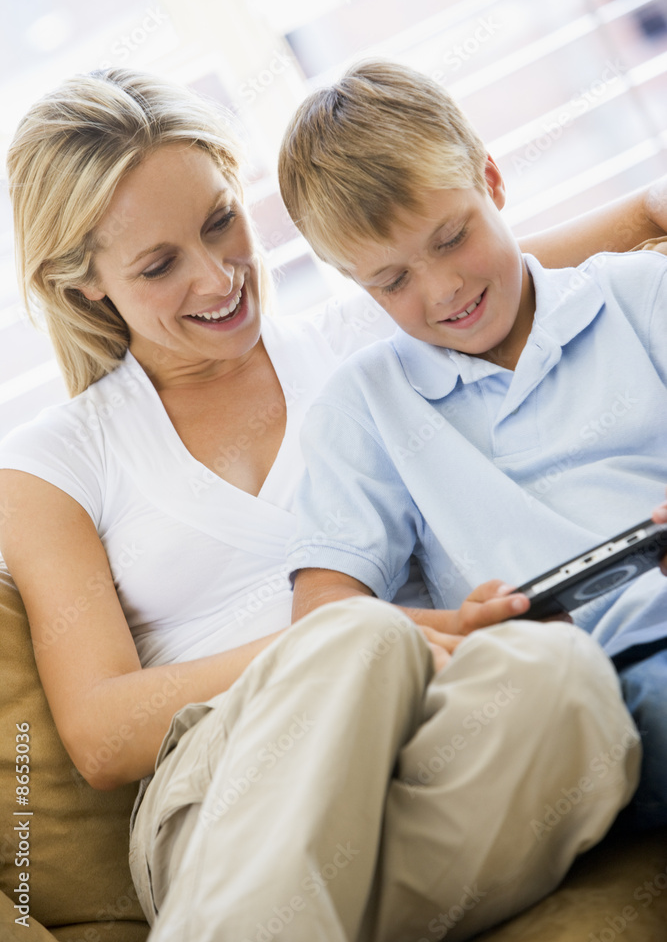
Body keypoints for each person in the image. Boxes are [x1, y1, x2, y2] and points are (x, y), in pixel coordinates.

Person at [0, 67, 663, 942]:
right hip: (231, 787)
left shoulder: (377, 333)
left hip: (420, 751)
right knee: (358, 633)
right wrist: (366, 637)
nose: (216, 279)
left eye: (220, 222)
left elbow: (514, 255)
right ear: (83, 283)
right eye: (159, 265)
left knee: (563, 675)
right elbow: (100, 732)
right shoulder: (54, 460)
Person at [278, 60, 667, 842]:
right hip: (587, 690)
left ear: (490, 179)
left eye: (451, 238)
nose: (443, 290)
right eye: (391, 281)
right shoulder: (364, 407)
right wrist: (445, 632)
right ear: (354, 284)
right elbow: (326, 615)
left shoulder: (637, 294)